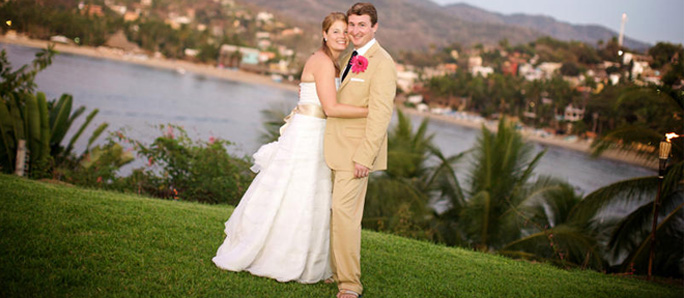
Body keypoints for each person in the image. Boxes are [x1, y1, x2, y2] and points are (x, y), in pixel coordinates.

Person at [212, 12, 368, 283]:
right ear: (324, 35)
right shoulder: (322, 62)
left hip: (316, 131)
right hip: (309, 133)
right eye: (336, 31)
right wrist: (370, 111)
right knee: (297, 193)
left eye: (346, 32)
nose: (342, 36)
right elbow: (330, 108)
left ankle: (308, 259)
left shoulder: (333, 62)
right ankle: (278, 256)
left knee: (310, 195)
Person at [324, 3, 397, 298]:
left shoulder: (382, 62)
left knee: (345, 216)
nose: (354, 30)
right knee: (334, 213)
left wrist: (366, 157)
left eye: (361, 25)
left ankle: (350, 284)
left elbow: (380, 115)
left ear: (374, 27)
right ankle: (334, 271)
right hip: (334, 148)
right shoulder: (349, 57)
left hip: (356, 155)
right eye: (351, 24)